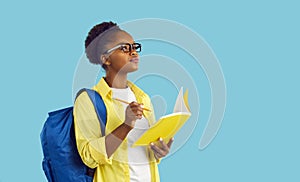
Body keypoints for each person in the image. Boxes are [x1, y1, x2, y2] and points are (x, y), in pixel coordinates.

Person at [73, 21, 173, 182]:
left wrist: (159, 152)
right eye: (125, 48)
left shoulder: (143, 98)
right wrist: (126, 125)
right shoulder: (88, 100)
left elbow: (144, 152)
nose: (134, 53)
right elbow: (89, 157)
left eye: (135, 47)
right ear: (106, 59)